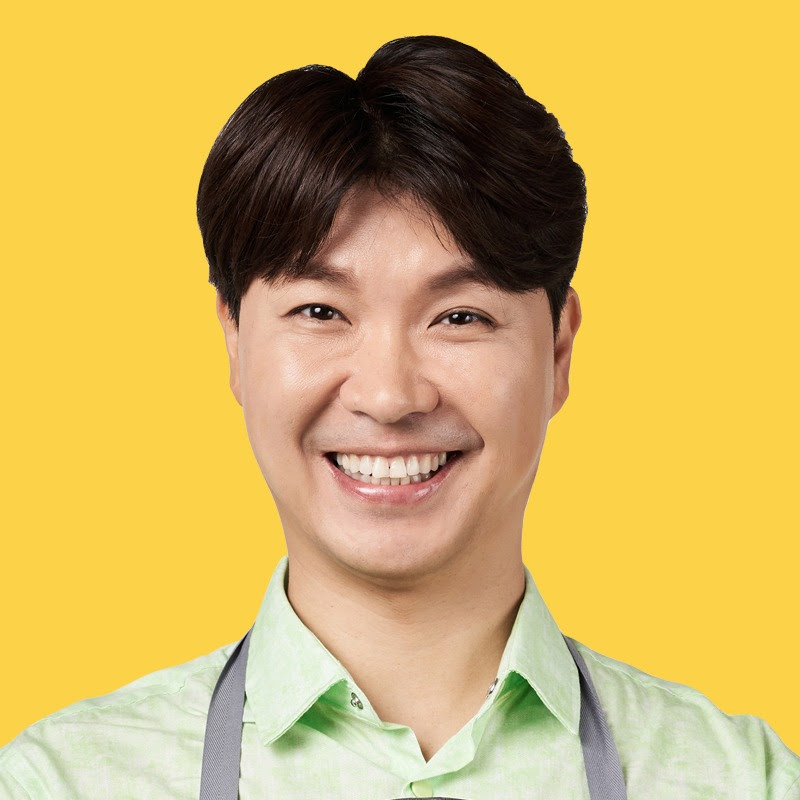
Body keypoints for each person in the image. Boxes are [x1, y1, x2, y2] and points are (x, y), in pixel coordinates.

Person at [1, 33, 798, 800]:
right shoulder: (61, 784)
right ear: (234, 342)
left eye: (460, 317)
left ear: (558, 352)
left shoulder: (743, 781)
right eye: (320, 311)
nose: (388, 397)